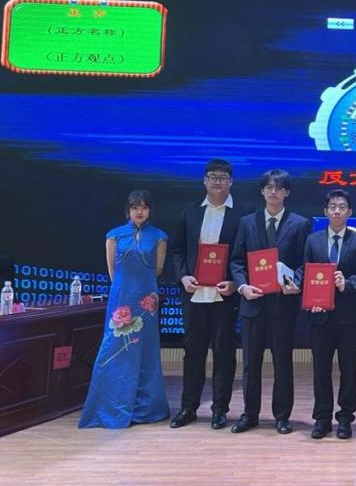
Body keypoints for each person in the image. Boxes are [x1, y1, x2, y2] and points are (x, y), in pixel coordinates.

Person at [168, 159, 252, 431]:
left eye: (222, 177)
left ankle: (219, 410)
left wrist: (235, 283)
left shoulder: (244, 214)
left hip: (224, 296)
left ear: (231, 182)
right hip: (194, 294)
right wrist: (183, 276)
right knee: (193, 352)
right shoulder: (190, 212)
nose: (217, 181)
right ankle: (188, 407)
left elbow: (249, 255)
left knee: (224, 353)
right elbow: (177, 250)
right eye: (212, 177)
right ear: (204, 181)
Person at [229, 170, 311, 435]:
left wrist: (295, 282)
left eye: (279, 188)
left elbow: (305, 263)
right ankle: (249, 414)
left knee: (282, 363)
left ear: (286, 192)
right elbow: (237, 261)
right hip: (253, 303)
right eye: (269, 187)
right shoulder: (247, 222)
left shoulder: (300, 223)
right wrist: (243, 286)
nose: (273, 192)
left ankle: (282, 416)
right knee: (250, 364)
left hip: (283, 305)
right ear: (262, 191)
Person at [79, 190, 169, 429]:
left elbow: (158, 269)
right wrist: (124, 290)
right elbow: (112, 270)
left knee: (146, 348)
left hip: (146, 299)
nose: (140, 212)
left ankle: (146, 408)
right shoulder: (114, 236)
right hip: (122, 296)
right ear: (127, 210)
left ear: (150, 210)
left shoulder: (159, 237)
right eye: (135, 207)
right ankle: (109, 405)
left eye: (144, 207)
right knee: (115, 346)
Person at [295, 189, 356, 440]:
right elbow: (306, 273)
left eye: (342, 207)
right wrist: (310, 300)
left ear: (350, 212)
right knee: (320, 369)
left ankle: (346, 418)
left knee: (349, 369)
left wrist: (347, 283)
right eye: (332, 206)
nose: (337, 211)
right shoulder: (313, 240)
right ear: (325, 211)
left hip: (348, 317)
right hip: (320, 317)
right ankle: (322, 418)